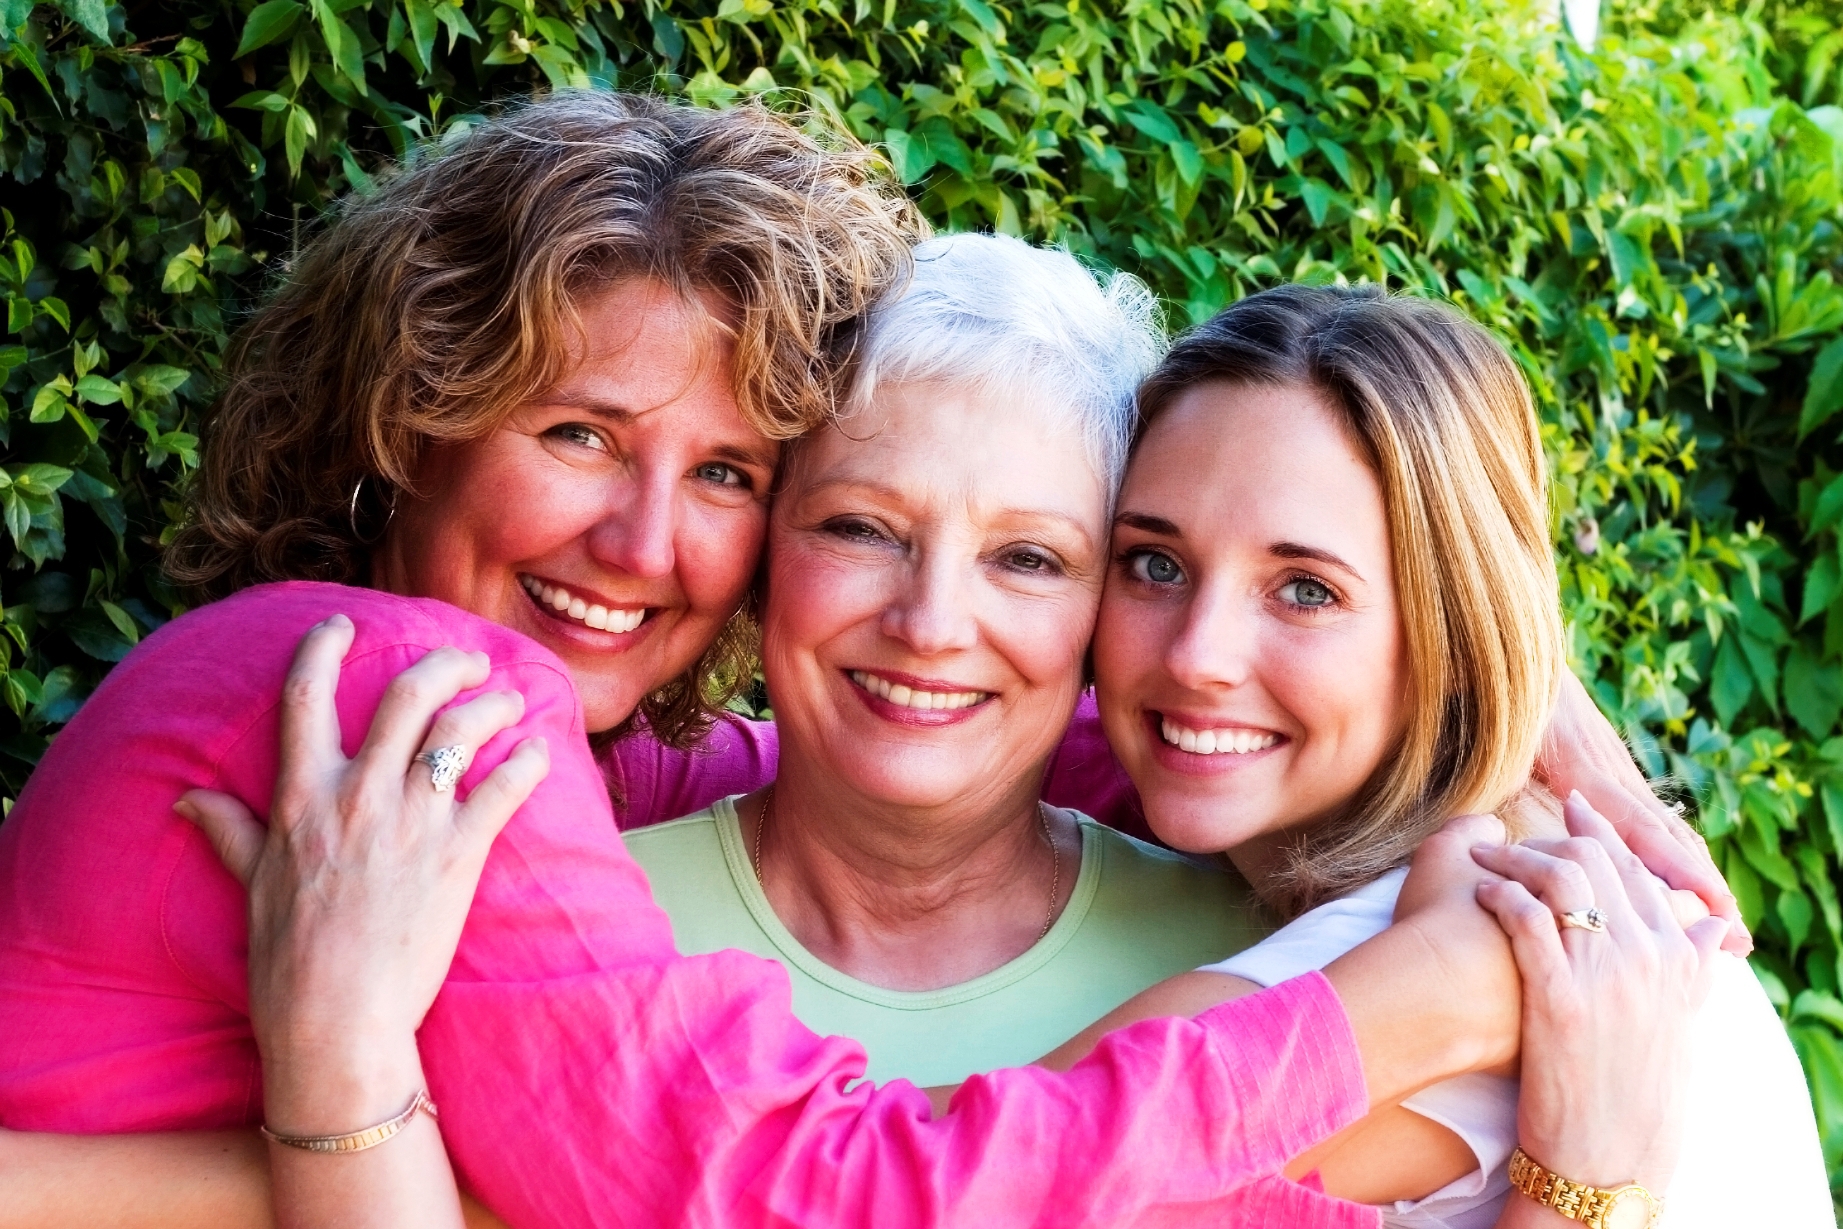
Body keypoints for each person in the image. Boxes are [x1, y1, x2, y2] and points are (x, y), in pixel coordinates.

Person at [0, 92, 1740, 1224]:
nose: (646, 538)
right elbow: (823, 1196)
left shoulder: (521, 766)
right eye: (582, 434)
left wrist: (1513, 717)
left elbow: (994, 740)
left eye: (729, 474)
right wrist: (1400, 1002)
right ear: (410, 418)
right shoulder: (416, 719)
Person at [1054, 284, 1831, 1224]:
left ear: (1454, 633)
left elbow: (904, 1180)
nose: (1195, 656)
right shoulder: (1530, 856)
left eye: (1304, 590)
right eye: (1156, 564)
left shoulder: (1469, 942)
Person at [627, 233, 1275, 1087]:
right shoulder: (591, 920)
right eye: (861, 529)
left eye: (1026, 558)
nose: (929, 625)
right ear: (762, 561)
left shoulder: (1262, 963)